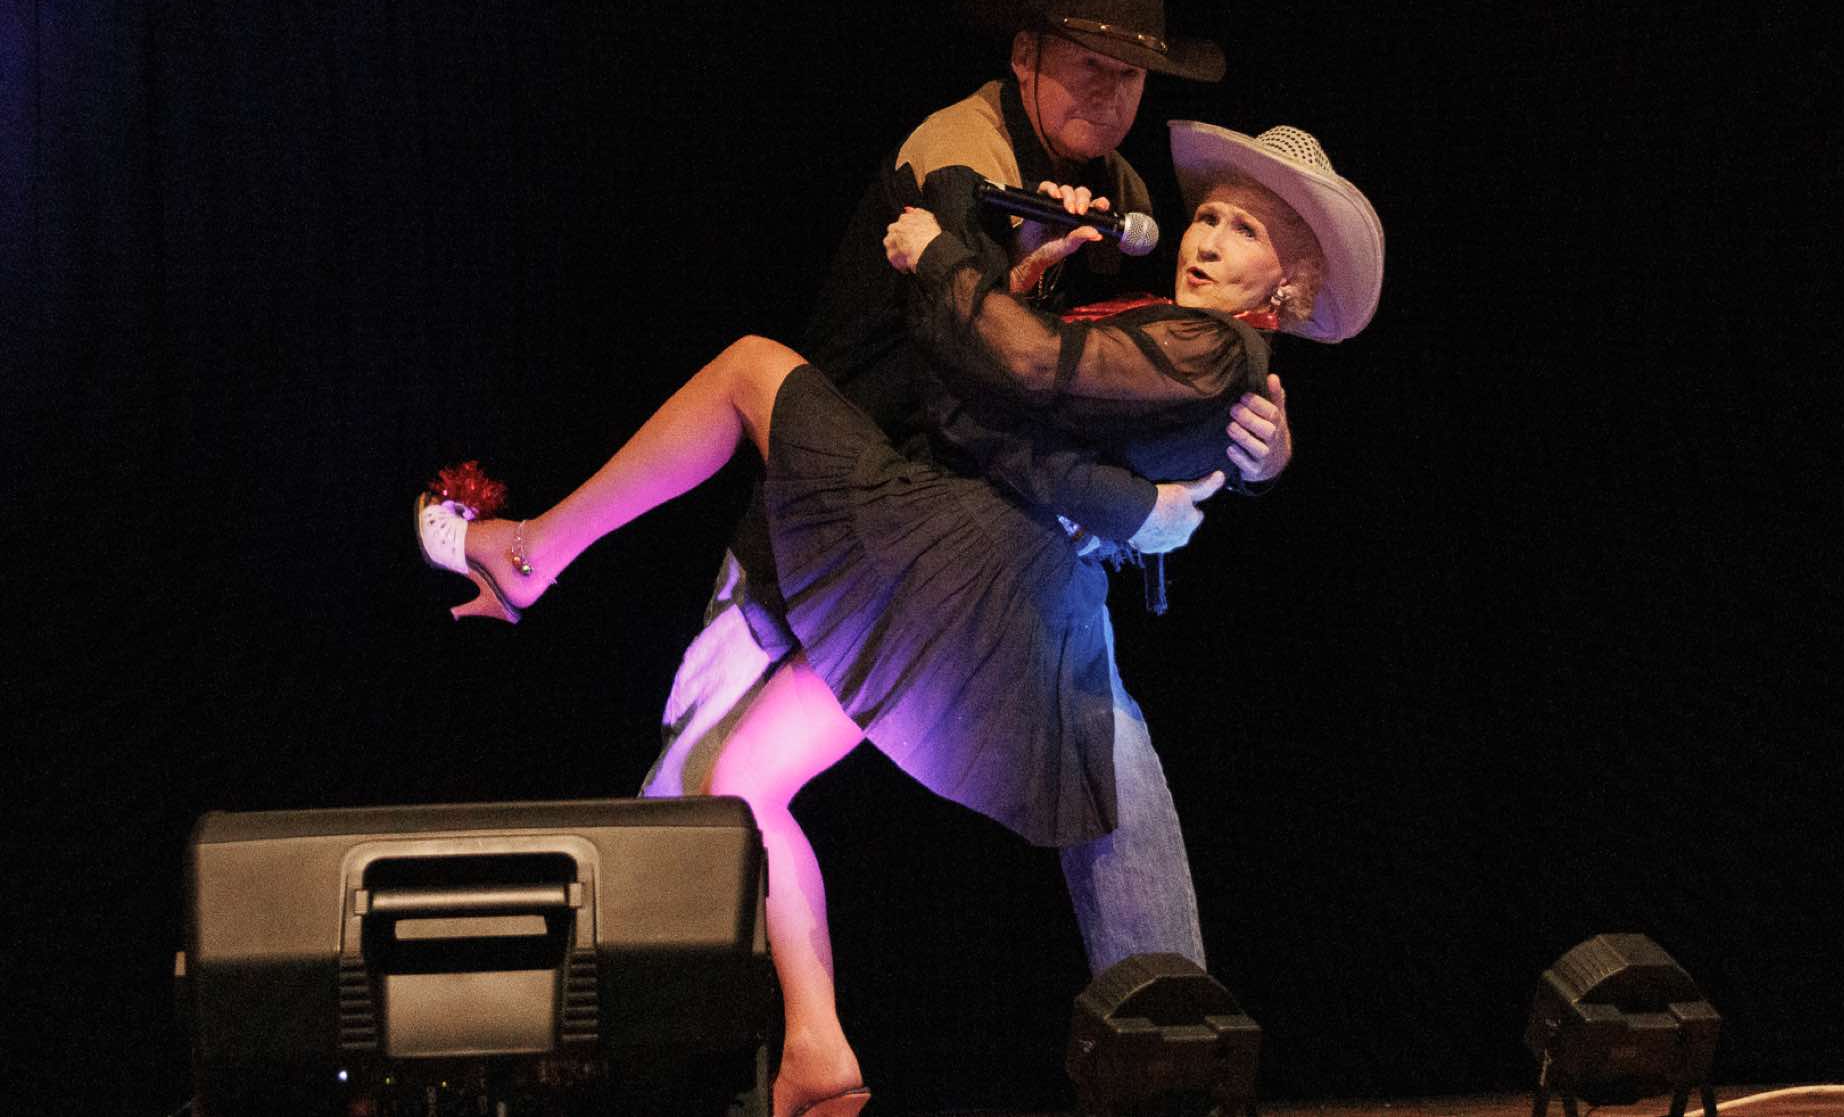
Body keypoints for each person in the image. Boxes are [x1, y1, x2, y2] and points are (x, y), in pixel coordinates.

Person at [415, 121, 1385, 1117]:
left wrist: (940, 250)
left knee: (750, 370)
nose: (1208, 238)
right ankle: (817, 1052)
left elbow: (1021, 376)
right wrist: (1031, 309)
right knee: (746, 778)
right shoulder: (1186, 341)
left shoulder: (1212, 347)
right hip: (980, 595)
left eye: (1244, 232)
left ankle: (536, 551)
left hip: (960, 565)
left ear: (1291, 285)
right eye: (1210, 216)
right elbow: (1044, 407)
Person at [640, 0, 1285, 978]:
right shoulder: (959, 152)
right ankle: (718, 1032)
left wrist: (1254, 454)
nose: (1109, 92)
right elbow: (990, 371)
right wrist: (1127, 502)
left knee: (1101, 765)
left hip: (972, 540)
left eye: (1129, 74)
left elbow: (1127, 395)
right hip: (850, 500)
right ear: (1025, 55)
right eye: (1086, 63)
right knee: (707, 789)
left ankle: (1166, 1031)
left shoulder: (1120, 202)